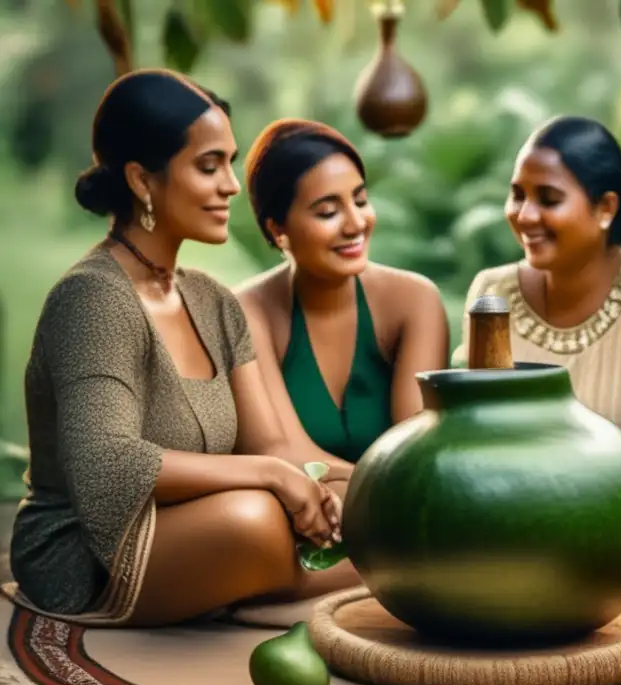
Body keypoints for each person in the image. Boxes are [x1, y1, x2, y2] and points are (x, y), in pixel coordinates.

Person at [7, 69, 358, 628]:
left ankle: (283, 587)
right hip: (95, 555)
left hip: (199, 523)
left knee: (373, 502)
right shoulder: (92, 300)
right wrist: (272, 476)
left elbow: (278, 442)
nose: (232, 186)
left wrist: (374, 484)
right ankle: (381, 572)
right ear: (143, 180)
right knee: (256, 519)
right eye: (208, 165)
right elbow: (107, 463)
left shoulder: (215, 302)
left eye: (230, 162)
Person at [451, 115, 621, 500]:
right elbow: (480, 430)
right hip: (515, 500)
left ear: (606, 207)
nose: (524, 215)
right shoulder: (493, 293)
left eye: (548, 198)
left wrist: (590, 475)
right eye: (518, 194)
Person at [236, 119, 450, 490]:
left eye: (361, 200)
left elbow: (413, 450)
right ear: (276, 229)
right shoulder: (247, 311)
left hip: (401, 517)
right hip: (296, 521)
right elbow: (276, 450)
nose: (356, 223)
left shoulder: (415, 301)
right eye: (327, 211)